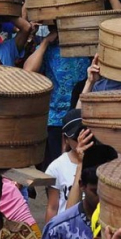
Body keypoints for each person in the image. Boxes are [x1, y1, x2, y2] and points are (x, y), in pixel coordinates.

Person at [42, 139, 117, 239]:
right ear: (82, 185)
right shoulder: (58, 230)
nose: (103, 198)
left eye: (110, 192)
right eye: (96, 191)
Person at [24, 28, 91, 168]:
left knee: (82, 164)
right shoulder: (49, 49)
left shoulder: (86, 45)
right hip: (55, 119)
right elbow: (28, 71)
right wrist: (45, 42)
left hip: (83, 116)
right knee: (57, 167)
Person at [44, 110, 85, 223]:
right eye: (76, 138)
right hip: (66, 227)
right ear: (66, 139)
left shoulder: (101, 162)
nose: (81, 142)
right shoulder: (56, 167)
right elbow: (52, 207)